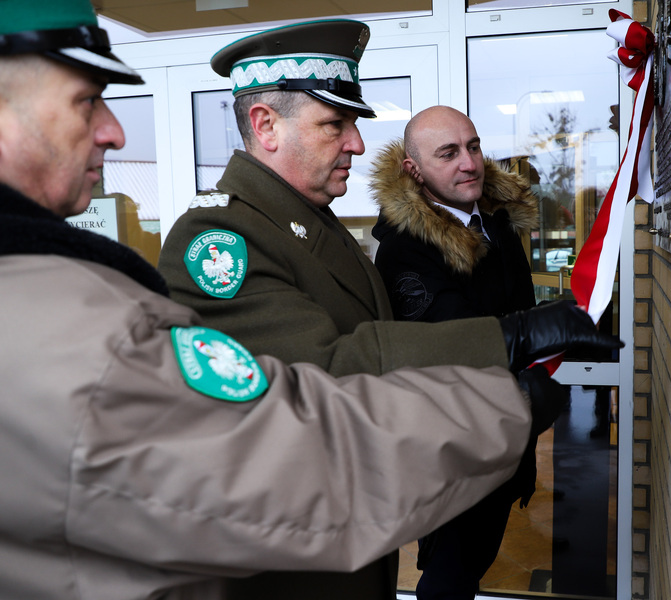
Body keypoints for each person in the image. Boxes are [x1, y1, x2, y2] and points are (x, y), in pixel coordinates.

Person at [0, 3, 620, 599]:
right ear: (266, 125)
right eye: (334, 124)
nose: (355, 143)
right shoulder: (220, 240)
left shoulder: (319, 227)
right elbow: (325, 373)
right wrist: (504, 346)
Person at [370, 105, 541, 600]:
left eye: (473, 146)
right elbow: (457, 341)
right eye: (448, 153)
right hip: (453, 453)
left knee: (471, 568)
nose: (469, 163)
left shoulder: (496, 226)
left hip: (504, 436)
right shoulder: (406, 247)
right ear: (413, 169)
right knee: (448, 578)